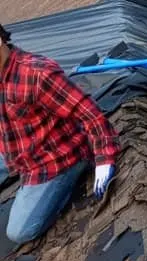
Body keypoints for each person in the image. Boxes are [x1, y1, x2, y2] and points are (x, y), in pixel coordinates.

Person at [0, 23, 119, 244]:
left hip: (55, 157)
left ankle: (75, 170)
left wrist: (104, 158)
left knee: (19, 231)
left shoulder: (36, 74)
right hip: (18, 146)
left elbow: (90, 114)